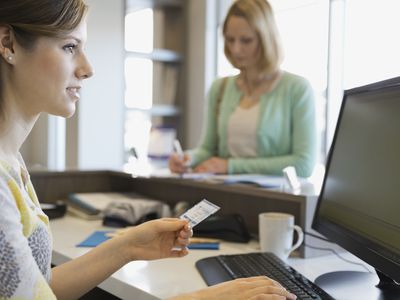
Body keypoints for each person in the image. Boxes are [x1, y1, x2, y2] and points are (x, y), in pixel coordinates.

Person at [0, 0, 297, 299]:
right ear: (8, 43)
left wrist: (127, 245)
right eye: (69, 47)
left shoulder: (13, 161)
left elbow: (39, 288)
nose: (88, 69)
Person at [169, 0, 317, 178]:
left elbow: (303, 164)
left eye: (246, 40)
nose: (236, 49)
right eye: (230, 40)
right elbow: (207, 149)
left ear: (266, 39)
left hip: (276, 200)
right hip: (226, 194)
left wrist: (231, 166)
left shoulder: (297, 89)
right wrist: (187, 158)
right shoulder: (220, 88)